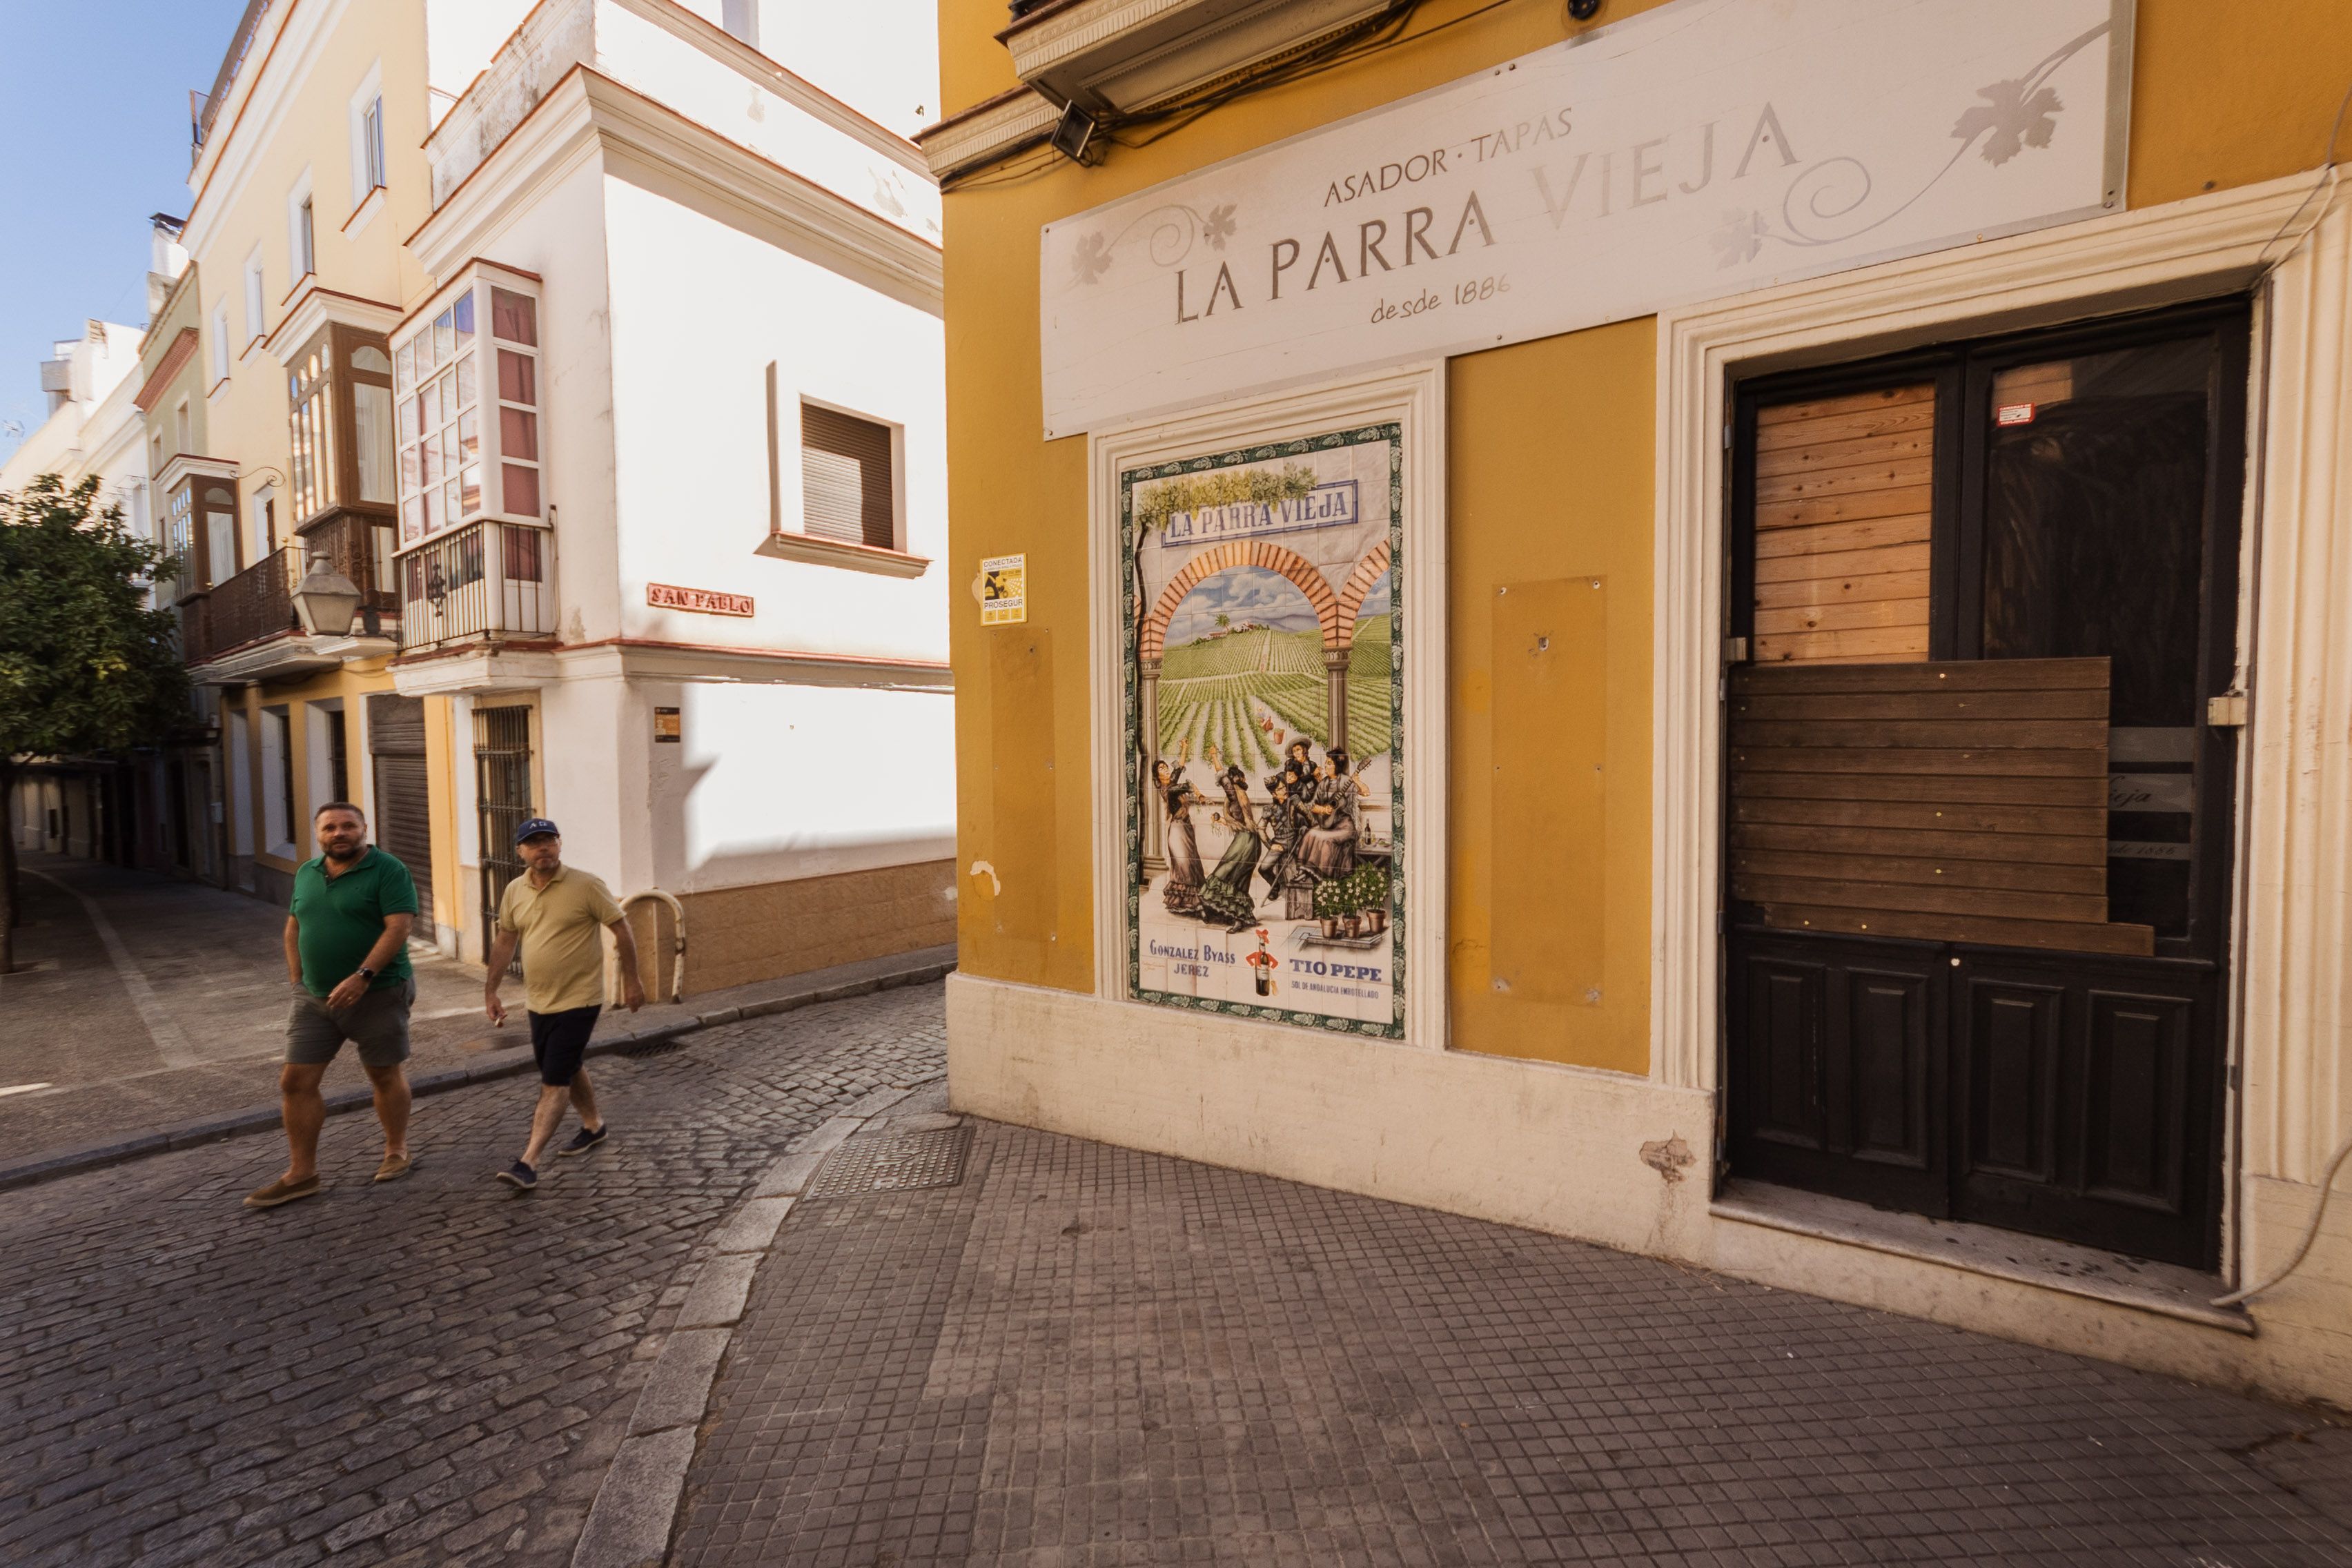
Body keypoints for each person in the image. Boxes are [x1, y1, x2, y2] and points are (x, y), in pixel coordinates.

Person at [244, 803, 419, 1209]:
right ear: (318, 833)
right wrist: (296, 981)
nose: (339, 833)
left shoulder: (389, 869)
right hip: (313, 998)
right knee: (295, 1082)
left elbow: (400, 927)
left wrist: (363, 976)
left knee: (383, 1073)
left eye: (347, 826)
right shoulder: (306, 872)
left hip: (378, 993)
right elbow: (294, 925)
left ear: (363, 829)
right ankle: (302, 1174)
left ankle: (396, 1149)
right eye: (329, 828)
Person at [483, 818, 644, 1190]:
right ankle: (594, 1126)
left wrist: (632, 979)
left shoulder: (586, 885)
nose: (543, 848)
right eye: (534, 843)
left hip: (580, 999)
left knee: (554, 1078)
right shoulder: (514, 891)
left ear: (560, 844)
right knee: (567, 1065)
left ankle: (529, 1161)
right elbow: (506, 940)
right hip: (538, 1000)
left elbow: (621, 928)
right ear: (520, 851)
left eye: (549, 841)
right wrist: (491, 991)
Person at [1197, 765, 1263, 931]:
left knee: (1235, 878)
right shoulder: (1229, 802)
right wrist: (1220, 820)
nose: (1228, 788)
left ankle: (1239, 919)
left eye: (1229, 785)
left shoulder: (1241, 797)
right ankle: (1222, 913)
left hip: (1249, 842)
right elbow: (1236, 824)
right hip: (1241, 839)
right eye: (1224, 786)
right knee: (1225, 873)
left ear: (1235, 785)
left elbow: (1248, 825)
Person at [1298, 745, 1361, 882]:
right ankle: (1305, 871)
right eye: (1326, 763)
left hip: (1345, 828)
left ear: (1337, 766)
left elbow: (1366, 792)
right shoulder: (1323, 784)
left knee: (1325, 840)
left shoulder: (1346, 781)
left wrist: (1358, 782)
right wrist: (1323, 810)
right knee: (1310, 834)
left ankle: (1321, 876)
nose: (1326, 766)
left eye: (1329, 763)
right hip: (1328, 825)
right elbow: (1311, 805)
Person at [1155, 761, 1206, 917]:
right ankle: (1191, 904)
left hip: (1186, 828)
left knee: (1193, 863)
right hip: (1177, 832)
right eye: (1161, 769)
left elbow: (1178, 768)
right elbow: (1187, 786)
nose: (1165, 770)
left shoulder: (1171, 784)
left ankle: (1196, 902)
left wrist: (1184, 748)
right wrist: (1199, 795)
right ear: (1157, 776)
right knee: (1184, 865)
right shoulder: (1167, 789)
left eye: (1165, 767)